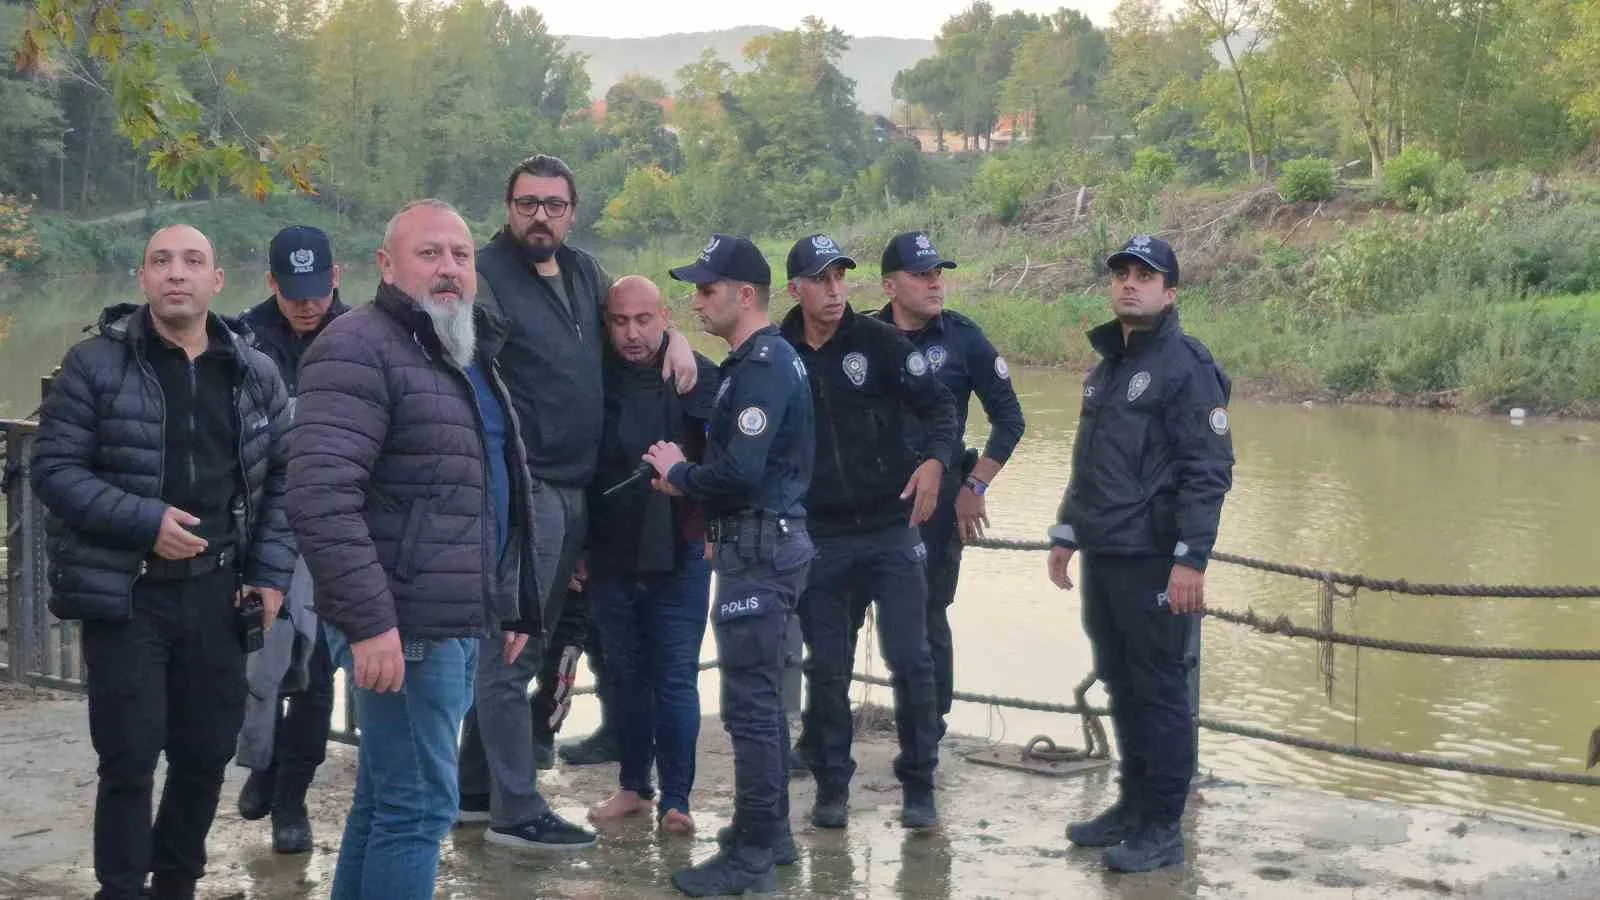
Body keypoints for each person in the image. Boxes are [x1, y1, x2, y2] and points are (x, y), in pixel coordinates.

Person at [285, 199, 541, 898]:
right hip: (404, 628)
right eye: (430, 253)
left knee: (386, 802)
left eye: (460, 255)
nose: (450, 268)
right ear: (386, 266)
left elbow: (484, 489)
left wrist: (511, 602)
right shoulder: (358, 345)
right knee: (420, 809)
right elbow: (319, 496)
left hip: (447, 620)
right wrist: (370, 624)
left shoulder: (461, 348)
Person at [31, 224, 295, 900]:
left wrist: (268, 573)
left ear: (216, 280)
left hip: (218, 592)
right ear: (143, 279)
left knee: (206, 753)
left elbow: (284, 481)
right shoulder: (95, 364)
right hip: (128, 593)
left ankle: (176, 883)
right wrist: (144, 521)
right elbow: (55, 470)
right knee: (128, 756)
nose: (177, 273)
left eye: (193, 261)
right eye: (162, 261)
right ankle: (119, 890)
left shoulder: (254, 372)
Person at [456, 154, 699, 850]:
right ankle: (515, 809)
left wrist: (676, 336)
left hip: (577, 491)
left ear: (573, 210)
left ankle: (477, 790)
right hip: (521, 490)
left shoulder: (588, 273)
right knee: (512, 648)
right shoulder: (485, 276)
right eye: (527, 202)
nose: (541, 215)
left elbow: (632, 329)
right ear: (508, 207)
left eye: (554, 204)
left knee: (531, 642)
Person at [1046, 234, 1234, 873]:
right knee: (1121, 685)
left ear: (1170, 292)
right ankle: (1130, 808)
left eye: (1145, 276)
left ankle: (1161, 827)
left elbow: (1208, 469)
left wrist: (1191, 558)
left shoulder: (1186, 365)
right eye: (1122, 273)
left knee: (1159, 693)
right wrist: (1067, 531)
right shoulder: (1109, 366)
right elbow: (1091, 461)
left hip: (1155, 558)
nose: (1130, 283)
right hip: (1107, 553)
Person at [642, 234, 814, 897]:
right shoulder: (763, 360)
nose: (698, 300)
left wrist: (679, 472)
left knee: (751, 710)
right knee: (762, 704)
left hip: (759, 549)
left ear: (746, 296)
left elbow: (741, 471)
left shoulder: (764, 364)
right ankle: (769, 840)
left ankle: (751, 853)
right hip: (758, 541)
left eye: (708, 289)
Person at [778, 233, 958, 831]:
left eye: (840, 278)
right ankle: (832, 786)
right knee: (826, 665)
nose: (834, 291)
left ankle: (919, 783)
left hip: (889, 527)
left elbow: (940, 409)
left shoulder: (879, 343)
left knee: (911, 659)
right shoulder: (778, 352)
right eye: (820, 280)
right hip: (819, 536)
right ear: (795, 288)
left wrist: (936, 461)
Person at [873, 231, 1025, 738]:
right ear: (890, 286)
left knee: (927, 611)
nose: (935, 283)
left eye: (938, 272)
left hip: (938, 502)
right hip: (871, 500)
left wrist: (974, 487)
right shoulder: (864, 338)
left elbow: (1010, 420)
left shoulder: (964, 339)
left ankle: (929, 724)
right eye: (921, 274)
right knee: (850, 609)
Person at [585, 276, 719, 835]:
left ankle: (678, 800)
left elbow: (726, 463)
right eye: (619, 322)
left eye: (644, 320)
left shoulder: (697, 375)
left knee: (676, 676)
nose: (632, 333)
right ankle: (634, 787)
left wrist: (714, 526)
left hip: (681, 551)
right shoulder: (592, 376)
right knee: (624, 676)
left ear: (664, 316)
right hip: (610, 552)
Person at [234, 224, 351, 854]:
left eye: (318, 289)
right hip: (261, 530)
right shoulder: (242, 337)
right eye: (293, 291)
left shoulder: (362, 333)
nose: (308, 304)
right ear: (271, 283)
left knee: (316, 671)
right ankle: (261, 760)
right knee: (260, 660)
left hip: (335, 529)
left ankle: (291, 798)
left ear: (338, 276)